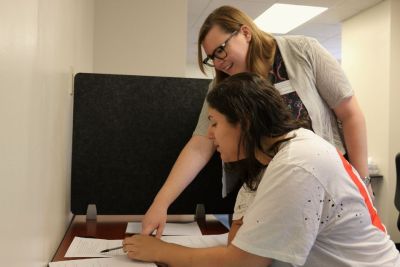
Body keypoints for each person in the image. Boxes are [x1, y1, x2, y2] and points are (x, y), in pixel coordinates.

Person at [141, 5, 372, 238]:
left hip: (320, 184)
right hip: (268, 191)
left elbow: (350, 114)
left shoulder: (303, 50)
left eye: (220, 50)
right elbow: (201, 143)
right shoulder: (224, 86)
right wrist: (161, 203)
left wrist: (362, 185)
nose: (218, 63)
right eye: (212, 58)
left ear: (245, 32)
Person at [124, 73, 399, 267]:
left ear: (243, 122)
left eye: (215, 123)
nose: (210, 135)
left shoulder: (296, 164)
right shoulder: (268, 159)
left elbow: (243, 262)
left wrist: (162, 252)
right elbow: (237, 243)